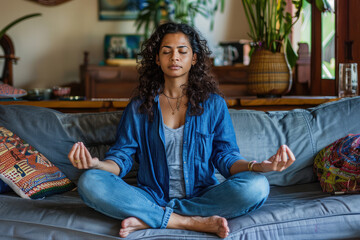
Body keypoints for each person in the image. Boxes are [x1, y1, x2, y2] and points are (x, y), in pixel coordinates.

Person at [68, 22, 296, 239]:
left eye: (182, 51)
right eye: (166, 51)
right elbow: (121, 158)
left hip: (202, 196)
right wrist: (96, 164)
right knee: (90, 181)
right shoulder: (139, 106)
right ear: (157, 59)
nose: (174, 57)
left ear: (194, 58)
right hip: (150, 195)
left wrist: (257, 166)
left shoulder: (214, 104)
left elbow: (225, 158)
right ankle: (188, 221)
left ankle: (152, 217)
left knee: (257, 186)